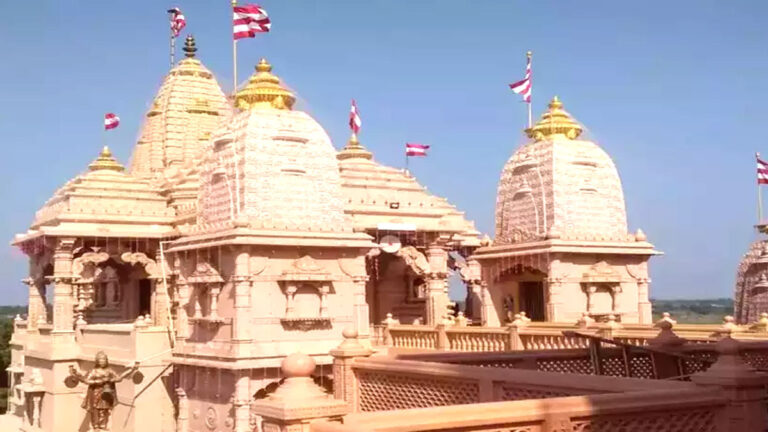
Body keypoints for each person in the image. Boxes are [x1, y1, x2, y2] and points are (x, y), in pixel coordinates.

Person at [68, 351, 139, 431]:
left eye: (104, 360)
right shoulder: (93, 371)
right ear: (97, 361)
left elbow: (119, 378)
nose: (102, 361)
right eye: (101, 360)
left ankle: (102, 425)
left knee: (105, 409)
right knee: (95, 410)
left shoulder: (109, 371)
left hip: (106, 393)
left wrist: (131, 370)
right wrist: (98, 381)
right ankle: (96, 426)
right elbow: (86, 380)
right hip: (95, 393)